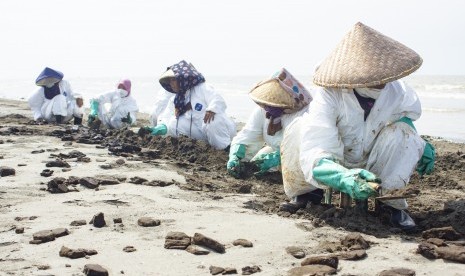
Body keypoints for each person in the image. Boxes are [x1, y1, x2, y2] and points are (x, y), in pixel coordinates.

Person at [280, 22, 435, 232]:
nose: (381, 80)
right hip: (335, 159)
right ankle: (308, 195)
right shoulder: (329, 94)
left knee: (405, 134)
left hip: (372, 156)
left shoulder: (398, 90)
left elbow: (405, 118)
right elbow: (316, 144)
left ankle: (390, 204)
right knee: (299, 127)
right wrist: (341, 176)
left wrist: (419, 143)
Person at [227, 68, 312, 177]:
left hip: (300, 158)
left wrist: (279, 157)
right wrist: (235, 154)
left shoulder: (304, 114)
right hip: (275, 151)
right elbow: (247, 134)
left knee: (294, 175)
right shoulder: (263, 111)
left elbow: (306, 147)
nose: (270, 105)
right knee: (254, 163)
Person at [144, 60, 236, 150]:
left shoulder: (202, 88)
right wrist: (162, 126)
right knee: (173, 124)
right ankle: (204, 146)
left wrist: (211, 109)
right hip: (201, 132)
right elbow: (167, 115)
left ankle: (224, 149)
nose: (171, 84)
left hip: (221, 131)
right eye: (169, 81)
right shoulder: (176, 99)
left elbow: (217, 99)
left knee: (212, 120)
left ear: (182, 78)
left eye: (173, 80)